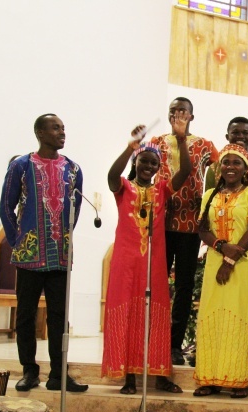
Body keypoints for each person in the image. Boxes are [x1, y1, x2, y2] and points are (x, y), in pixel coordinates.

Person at [102, 116, 192, 395]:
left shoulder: (162, 189)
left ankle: (160, 376)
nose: (149, 166)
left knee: (155, 315)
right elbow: (110, 176)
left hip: (154, 263)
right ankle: (128, 376)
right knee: (127, 313)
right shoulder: (123, 189)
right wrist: (131, 147)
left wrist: (180, 139)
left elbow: (185, 172)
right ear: (135, 164)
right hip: (126, 262)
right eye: (144, 161)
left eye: (154, 163)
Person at [0, 113, 88, 392]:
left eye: (63, 127)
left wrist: (63, 236)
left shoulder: (73, 169)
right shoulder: (21, 166)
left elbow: (75, 212)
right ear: (39, 132)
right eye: (55, 128)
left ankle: (58, 374)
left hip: (60, 257)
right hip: (28, 256)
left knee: (59, 317)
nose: (62, 132)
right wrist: (19, 240)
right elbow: (6, 206)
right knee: (25, 315)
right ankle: (29, 370)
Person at [194, 143, 248, 399]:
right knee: (212, 317)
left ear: (245, 168)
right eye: (226, 162)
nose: (230, 167)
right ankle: (209, 377)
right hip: (215, 263)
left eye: (236, 163)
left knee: (238, 319)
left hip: (242, 266)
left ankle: (238, 379)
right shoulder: (210, 195)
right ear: (219, 168)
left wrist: (230, 260)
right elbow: (202, 228)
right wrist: (221, 247)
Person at [154, 97, 219, 366]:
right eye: (173, 111)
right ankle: (154, 342)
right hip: (161, 223)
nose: (178, 115)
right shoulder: (155, 142)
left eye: (183, 111)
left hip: (191, 224)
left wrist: (210, 211)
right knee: (157, 285)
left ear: (192, 116)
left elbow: (217, 178)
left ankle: (174, 346)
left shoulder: (205, 145)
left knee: (184, 286)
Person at [205, 116, 248, 278]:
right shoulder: (215, 168)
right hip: (219, 246)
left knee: (247, 291)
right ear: (227, 136)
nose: (240, 136)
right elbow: (207, 206)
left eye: (245, 133)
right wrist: (218, 243)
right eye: (235, 132)